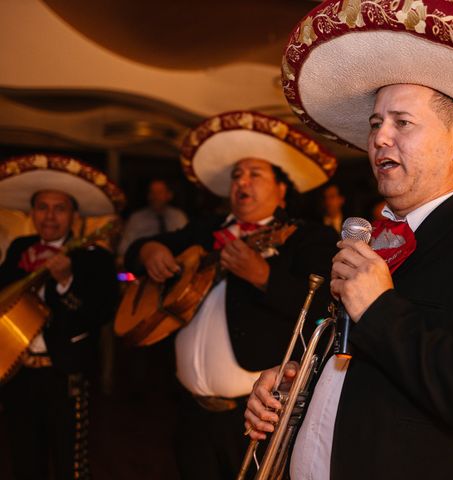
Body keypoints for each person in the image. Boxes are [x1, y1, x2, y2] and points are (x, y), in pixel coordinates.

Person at [245, 1, 453, 478]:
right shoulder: (370, 241)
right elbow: (362, 373)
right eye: (376, 123)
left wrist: (381, 310)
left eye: (402, 122)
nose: (379, 138)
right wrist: (298, 385)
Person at [124, 111, 339, 480]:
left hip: (256, 414)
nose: (243, 181)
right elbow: (138, 251)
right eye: (237, 174)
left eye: (256, 173)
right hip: (189, 410)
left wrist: (265, 277)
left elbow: (325, 309)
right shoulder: (206, 229)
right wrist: (149, 252)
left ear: (281, 188)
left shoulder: (306, 237)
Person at [0, 154, 123, 480]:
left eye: (60, 208)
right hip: (18, 374)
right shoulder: (19, 248)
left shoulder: (94, 258)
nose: (50, 216)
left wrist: (66, 282)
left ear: (74, 216)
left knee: (71, 463)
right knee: (24, 460)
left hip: (65, 377)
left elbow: (101, 313)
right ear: (31, 213)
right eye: (42, 207)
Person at [117, 178, 188, 257]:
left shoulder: (179, 216)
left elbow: (188, 244)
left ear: (169, 195)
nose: (155, 197)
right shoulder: (136, 218)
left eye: (159, 193)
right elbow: (123, 249)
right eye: (152, 192)